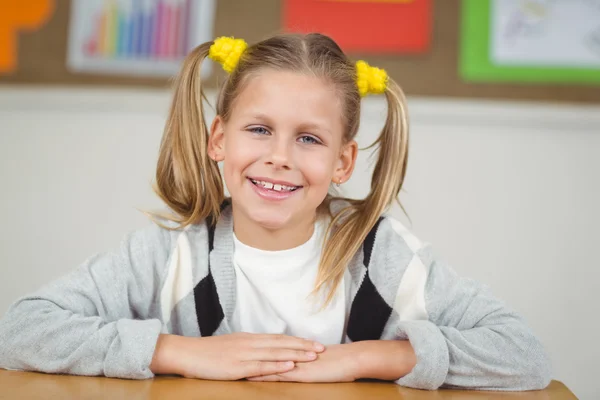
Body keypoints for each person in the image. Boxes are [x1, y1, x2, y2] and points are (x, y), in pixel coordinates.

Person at [0, 34, 551, 390]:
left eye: (309, 138)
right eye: (259, 129)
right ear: (220, 138)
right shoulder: (170, 253)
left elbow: (523, 353)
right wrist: (179, 352)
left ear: (343, 161)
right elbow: (22, 329)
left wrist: (366, 360)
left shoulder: (384, 258)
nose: (279, 157)